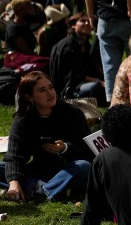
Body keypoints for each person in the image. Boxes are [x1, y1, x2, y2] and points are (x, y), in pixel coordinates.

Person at [3, 72, 92, 202]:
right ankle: (51, 188)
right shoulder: (22, 119)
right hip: (38, 170)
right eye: (42, 90)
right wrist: (14, 181)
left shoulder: (72, 113)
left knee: (84, 166)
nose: (50, 93)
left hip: (67, 169)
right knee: (5, 169)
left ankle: (40, 191)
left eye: (51, 87)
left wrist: (65, 148)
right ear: (29, 97)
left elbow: (88, 152)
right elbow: (14, 156)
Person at [48, 13, 105, 101]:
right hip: (69, 88)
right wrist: (99, 82)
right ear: (73, 25)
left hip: (83, 83)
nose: (87, 23)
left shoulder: (86, 45)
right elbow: (74, 75)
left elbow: (92, 66)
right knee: (95, 87)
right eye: (82, 21)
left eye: (89, 21)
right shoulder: (68, 46)